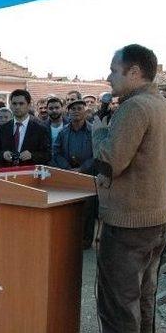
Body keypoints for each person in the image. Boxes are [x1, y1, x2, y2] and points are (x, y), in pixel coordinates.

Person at [71, 44, 166, 333]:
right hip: (159, 219)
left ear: (135, 73)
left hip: (128, 224)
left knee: (118, 307)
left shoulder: (134, 108)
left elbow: (109, 162)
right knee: (142, 297)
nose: (109, 77)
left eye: (113, 70)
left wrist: (97, 131)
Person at [51, 99, 96, 249]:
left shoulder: (94, 131)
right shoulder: (63, 132)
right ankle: (70, 238)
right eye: (73, 109)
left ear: (85, 111)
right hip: (68, 174)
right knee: (70, 208)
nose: (76, 111)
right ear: (68, 112)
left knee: (88, 209)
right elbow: (56, 152)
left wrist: (82, 168)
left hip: (88, 175)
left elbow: (99, 153)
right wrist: (67, 168)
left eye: (79, 108)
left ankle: (86, 240)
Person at [0, 89, 50, 168]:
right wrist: (3, 154)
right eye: (14, 104)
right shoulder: (3, 128)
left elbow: (48, 154)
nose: (17, 107)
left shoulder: (40, 129)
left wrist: (32, 155)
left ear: (28, 105)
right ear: (10, 105)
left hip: (30, 174)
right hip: (7, 174)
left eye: (21, 104)